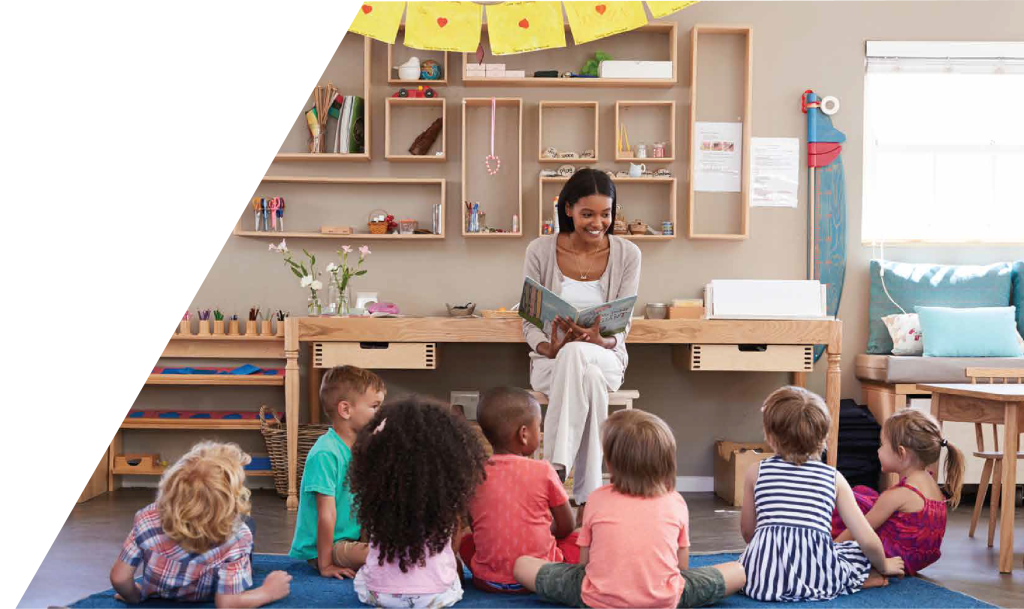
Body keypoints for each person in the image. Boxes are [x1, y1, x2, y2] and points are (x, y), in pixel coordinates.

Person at [513, 410, 746, 609]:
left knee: (522, 564)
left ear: (611, 463)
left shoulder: (596, 499)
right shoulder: (676, 502)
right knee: (738, 571)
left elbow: (585, 563)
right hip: (665, 598)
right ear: (667, 462)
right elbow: (681, 567)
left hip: (596, 597)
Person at [523, 167, 641, 522]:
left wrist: (601, 339)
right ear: (569, 208)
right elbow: (528, 318)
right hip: (551, 364)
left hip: (606, 357)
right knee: (585, 376)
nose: (597, 223)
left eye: (606, 214)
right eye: (587, 214)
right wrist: (549, 347)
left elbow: (625, 321)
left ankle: (554, 474)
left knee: (582, 357)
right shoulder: (541, 250)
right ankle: (588, 497)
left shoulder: (628, 253)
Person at [740, 386, 905, 601]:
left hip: (762, 580)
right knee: (852, 551)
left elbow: (747, 532)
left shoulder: (756, 472)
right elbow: (867, 538)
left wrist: (769, 551)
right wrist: (884, 564)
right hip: (818, 575)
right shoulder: (833, 478)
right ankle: (861, 579)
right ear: (825, 437)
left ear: (769, 436)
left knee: (741, 566)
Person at [109, 442, 292, 606]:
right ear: (229, 500)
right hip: (209, 596)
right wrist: (267, 592)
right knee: (249, 524)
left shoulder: (146, 518)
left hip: (161, 594)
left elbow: (119, 578)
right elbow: (228, 604)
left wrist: (135, 596)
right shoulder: (238, 536)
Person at [348, 396, 489, 608]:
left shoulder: (377, 500)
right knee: (451, 565)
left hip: (381, 595)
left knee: (363, 577)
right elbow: (453, 548)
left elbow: (370, 542)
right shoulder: (446, 502)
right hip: (435, 597)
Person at [460, 387, 579, 594]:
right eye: (538, 427)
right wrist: (544, 532)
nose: (539, 434)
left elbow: (475, 525)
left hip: (487, 581)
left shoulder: (473, 473)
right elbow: (567, 526)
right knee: (578, 539)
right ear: (524, 434)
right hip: (540, 577)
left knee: (467, 541)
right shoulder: (543, 470)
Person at [832, 409, 964, 575]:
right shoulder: (931, 485)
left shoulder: (899, 494)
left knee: (849, 506)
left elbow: (857, 529)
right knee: (864, 494)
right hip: (918, 558)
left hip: (895, 557)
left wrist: (831, 552)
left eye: (882, 445)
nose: (878, 450)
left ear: (901, 453)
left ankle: (868, 574)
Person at [288, 365, 385, 578]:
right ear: (346, 410)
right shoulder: (325, 453)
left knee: (398, 546)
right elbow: (327, 514)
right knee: (387, 555)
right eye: (375, 407)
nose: (381, 414)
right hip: (330, 547)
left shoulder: (363, 447)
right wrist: (326, 564)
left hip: (354, 537)